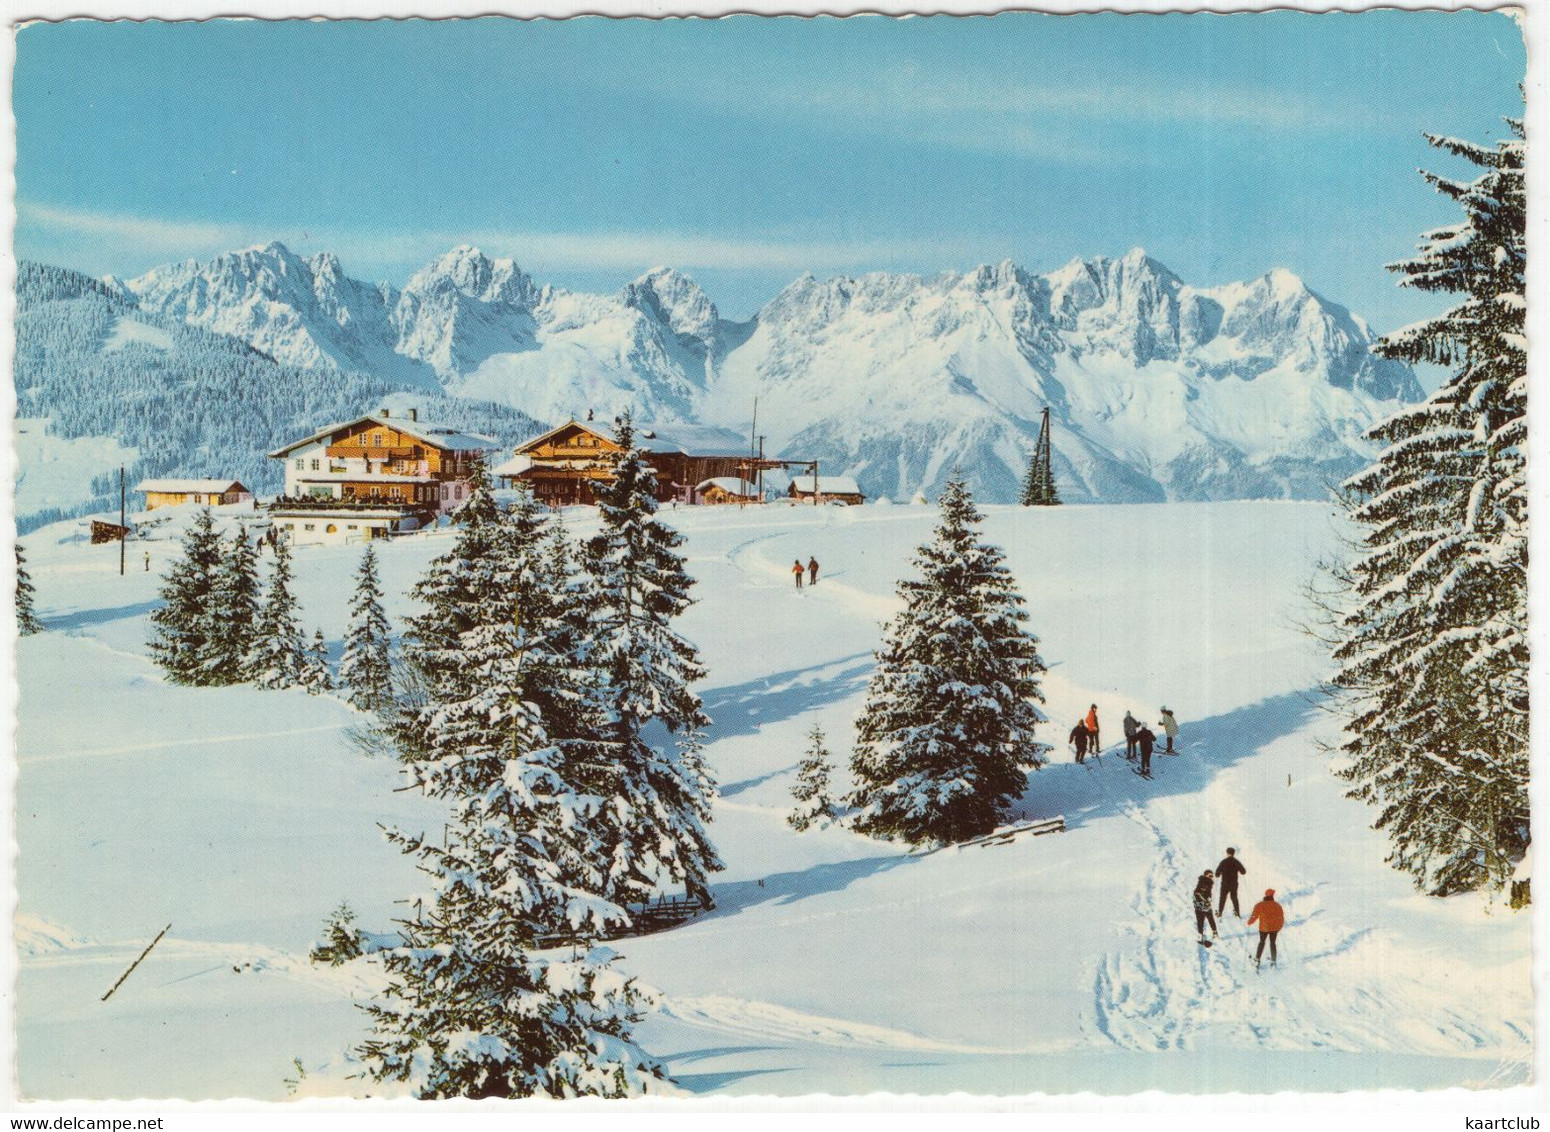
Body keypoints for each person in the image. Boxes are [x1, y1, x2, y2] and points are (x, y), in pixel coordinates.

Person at [1247, 888, 1285, 968]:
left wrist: (1250, 922)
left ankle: (1257, 960)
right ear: (1272, 896)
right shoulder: (1277, 905)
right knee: (1273, 943)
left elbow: (1254, 916)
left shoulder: (1259, 905)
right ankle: (1273, 961)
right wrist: (1279, 927)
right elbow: (1281, 918)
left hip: (1264, 928)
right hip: (1274, 928)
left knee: (1262, 942)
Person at [1215, 848, 1247, 918]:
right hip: (1234, 884)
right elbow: (1243, 872)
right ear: (1234, 853)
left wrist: (1220, 873)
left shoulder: (1223, 862)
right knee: (1234, 897)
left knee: (1222, 898)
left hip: (1225, 884)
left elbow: (1217, 874)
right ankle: (1237, 913)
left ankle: (1220, 912)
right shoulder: (1236, 862)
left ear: (1227, 853)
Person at [1193, 870, 1218, 942]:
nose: (1211, 877)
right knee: (1209, 919)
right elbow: (1197, 892)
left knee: (1202, 921)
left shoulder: (1204, 881)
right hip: (1203, 906)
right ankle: (1214, 934)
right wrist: (1205, 900)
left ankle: (1200, 937)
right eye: (1210, 876)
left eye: (1212, 876)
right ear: (1205, 875)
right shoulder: (1205, 881)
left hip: (1200, 906)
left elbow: (1198, 892)